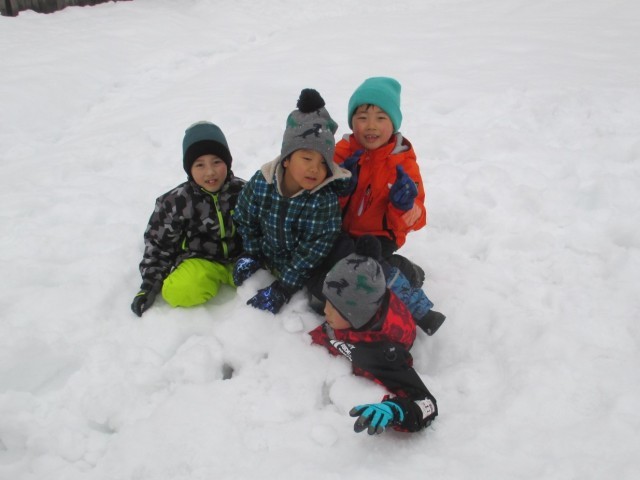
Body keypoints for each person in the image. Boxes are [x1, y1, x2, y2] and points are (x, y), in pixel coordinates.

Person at [232, 88, 351, 314]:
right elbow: (246, 219)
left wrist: (284, 287)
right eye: (306, 158)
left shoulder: (322, 201)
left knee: (325, 299)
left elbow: (312, 252)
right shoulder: (263, 182)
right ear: (286, 159)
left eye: (323, 163)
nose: (315, 168)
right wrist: (251, 254)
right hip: (271, 256)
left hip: (307, 267)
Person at [309, 235, 438, 435]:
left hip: (393, 328)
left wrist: (396, 410)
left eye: (334, 308)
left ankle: (411, 272)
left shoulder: (383, 353)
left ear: (356, 315)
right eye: (328, 302)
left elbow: (427, 404)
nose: (326, 311)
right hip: (376, 304)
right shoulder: (352, 315)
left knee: (402, 275)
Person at [131, 121, 245, 317]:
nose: (210, 172)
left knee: (272, 276)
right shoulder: (176, 202)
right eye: (200, 165)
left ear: (227, 162)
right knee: (178, 290)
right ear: (189, 169)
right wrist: (149, 286)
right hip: (202, 262)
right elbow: (159, 245)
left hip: (243, 258)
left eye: (217, 162)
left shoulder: (245, 192)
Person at [336, 76, 427, 288]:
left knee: (366, 274)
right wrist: (340, 189)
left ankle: (405, 271)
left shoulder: (403, 163)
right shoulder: (342, 153)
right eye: (362, 117)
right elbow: (321, 198)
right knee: (334, 265)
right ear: (352, 121)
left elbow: (418, 217)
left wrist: (403, 206)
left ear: (393, 123)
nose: (371, 126)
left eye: (380, 118)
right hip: (341, 230)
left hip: (380, 236)